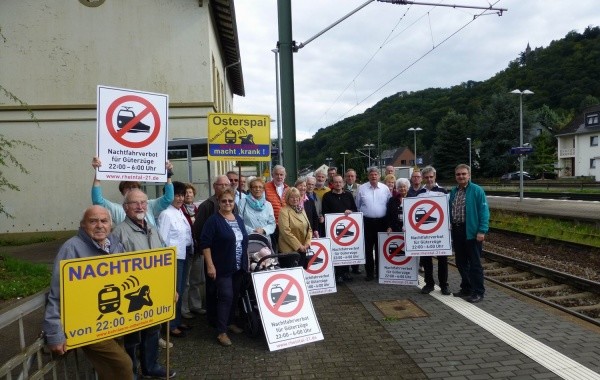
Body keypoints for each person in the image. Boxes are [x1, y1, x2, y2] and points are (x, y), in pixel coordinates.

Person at [43, 206, 133, 380]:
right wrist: (55, 334)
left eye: (104, 221)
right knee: (123, 365)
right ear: (83, 225)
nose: (99, 225)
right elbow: (57, 294)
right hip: (87, 325)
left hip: (114, 320)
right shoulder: (71, 249)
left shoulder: (114, 244)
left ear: (110, 224)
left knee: (110, 369)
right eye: (93, 221)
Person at [111, 189, 176, 379]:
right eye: (135, 203)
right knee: (132, 336)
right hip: (132, 294)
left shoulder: (153, 229)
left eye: (143, 203)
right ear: (125, 207)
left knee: (153, 330)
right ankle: (131, 371)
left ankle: (151, 366)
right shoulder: (119, 232)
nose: (140, 206)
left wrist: (171, 287)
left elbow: (165, 257)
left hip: (154, 291)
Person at [199, 189, 248, 346]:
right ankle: (221, 331)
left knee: (234, 295)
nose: (227, 203)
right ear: (219, 203)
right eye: (224, 201)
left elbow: (242, 242)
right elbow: (205, 244)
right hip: (222, 266)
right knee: (225, 296)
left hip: (238, 266)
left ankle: (230, 322)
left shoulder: (238, 219)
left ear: (234, 203)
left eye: (230, 201)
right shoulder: (213, 221)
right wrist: (210, 265)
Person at [193, 175, 238, 327]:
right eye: (222, 184)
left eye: (228, 184)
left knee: (229, 294)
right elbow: (199, 231)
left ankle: (227, 321)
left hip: (233, 261)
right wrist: (208, 260)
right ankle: (214, 322)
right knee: (213, 292)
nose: (225, 186)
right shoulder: (207, 206)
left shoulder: (234, 209)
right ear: (214, 186)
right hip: (215, 258)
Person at [91, 156, 174, 226]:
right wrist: (99, 172)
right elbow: (97, 201)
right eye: (128, 187)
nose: (131, 190)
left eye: (134, 187)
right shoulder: (117, 209)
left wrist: (168, 175)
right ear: (122, 192)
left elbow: (168, 198)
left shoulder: (149, 205)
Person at [449, 164, 489, 303]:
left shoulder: (477, 191)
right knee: (460, 262)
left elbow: (484, 212)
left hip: (471, 231)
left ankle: (478, 292)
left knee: (475, 264)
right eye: (458, 174)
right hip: (457, 230)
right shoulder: (454, 192)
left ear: (469, 175)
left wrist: (482, 230)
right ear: (455, 176)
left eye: (463, 174)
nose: (461, 176)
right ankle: (466, 287)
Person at [157, 181, 193, 337]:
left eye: (182, 195)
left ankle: (177, 320)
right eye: (177, 195)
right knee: (175, 291)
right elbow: (162, 239)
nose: (180, 198)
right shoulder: (166, 214)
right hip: (174, 258)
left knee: (181, 289)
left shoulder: (179, 211)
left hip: (185, 254)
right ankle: (170, 325)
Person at [417, 166, 451, 295]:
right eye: (426, 177)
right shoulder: (420, 193)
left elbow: (447, 210)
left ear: (435, 176)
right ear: (423, 179)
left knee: (442, 259)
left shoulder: (443, 192)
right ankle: (429, 283)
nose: (429, 179)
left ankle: (444, 285)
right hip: (424, 232)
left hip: (440, 231)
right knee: (426, 259)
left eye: (431, 177)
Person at [355, 167, 391, 281]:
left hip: (382, 222)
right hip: (367, 222)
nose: (374, 176)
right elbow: (358, 205)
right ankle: (369, 273)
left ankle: (380, 272)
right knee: (368, 249)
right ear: (368, 176)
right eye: (371, 175)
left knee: (381, 248)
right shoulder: (362, 188)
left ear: (379, 176)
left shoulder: (385, 189)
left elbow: (389, 205)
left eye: (375, 174)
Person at [322, 175, 357, 283]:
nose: (338, 184)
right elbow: (325, 212)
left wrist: (350, 211)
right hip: (334, 230)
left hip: (347, 229)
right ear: (332, 183)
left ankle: (346, 272)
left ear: (343, 183)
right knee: (336, 252)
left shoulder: (348, 195)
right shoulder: (327, 196)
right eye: (336, 182)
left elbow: (354, 209)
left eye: (340, 182)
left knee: (345, 250)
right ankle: (338, 274)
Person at [180, 183, 205, 320]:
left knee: (197, 280)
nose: (188, 195)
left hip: (198, 249)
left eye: (190, 192)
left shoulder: (197, 209)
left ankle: (196, 305)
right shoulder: (180, 210)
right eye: (186, 193)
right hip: (187, 249)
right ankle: (184, 308)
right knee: (186, 281)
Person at [277, 187, 312, 268]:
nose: (295, 199)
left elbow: (309, 228)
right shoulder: (284, 211)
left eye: (297, 197)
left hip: (303, 248)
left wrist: (307, 243)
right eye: (292, 197)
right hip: (289, 250)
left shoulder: (302, 210)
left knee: (301, 272)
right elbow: (285, 232)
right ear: (287, 198)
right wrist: (299, 246)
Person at [264, 165, 289, 251]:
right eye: (277, 174)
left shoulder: (288, 189)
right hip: (271, 225)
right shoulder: (265, 188)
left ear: (285, 176)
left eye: (281, 174)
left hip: (285, 225)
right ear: (272, 175)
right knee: (272, 249)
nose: (279, 177)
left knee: (285, 249)